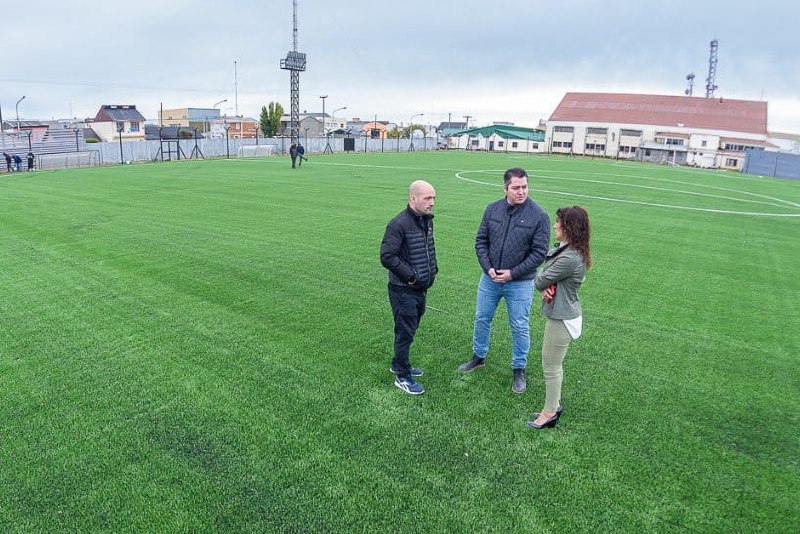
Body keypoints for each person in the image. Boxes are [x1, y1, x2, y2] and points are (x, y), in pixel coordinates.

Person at [458, 167, 550, 394]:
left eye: (525, 187)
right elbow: (481, 241)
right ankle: (479, 356)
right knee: (482, 318)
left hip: (519, 282)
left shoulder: (539, 216)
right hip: (489, 279)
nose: (521, 192)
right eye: (516, 187)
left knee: (519, 325)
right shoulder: (492, 210)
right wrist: (488, 268)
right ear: (505, 188)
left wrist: (513, 273)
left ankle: (519, 368)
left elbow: (539, 253)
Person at [527, 206, 592, 429]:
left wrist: (544, 281)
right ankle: (553, 404)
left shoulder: (570, 258)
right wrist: (545, 280)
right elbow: (544, 276)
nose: (555, 225)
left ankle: (549, 412)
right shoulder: (569, 251)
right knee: (554, 364)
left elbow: (539, 280)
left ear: (569, 228)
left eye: (559, 222)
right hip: (563, 314)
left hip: (562, 318)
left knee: (550, 366)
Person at [380, 180, 438, 395]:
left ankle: (398, 363)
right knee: (405, 332)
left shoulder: (426, 221)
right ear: (413, 198)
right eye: (427, 198)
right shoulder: (398, 223)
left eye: (433, 198)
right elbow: (387, 256)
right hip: (403, 289)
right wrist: (412, 277)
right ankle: (402, 376)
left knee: (410, 329)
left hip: (420, 288)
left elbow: (427, 249)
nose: (432, 203)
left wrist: (433, 269)